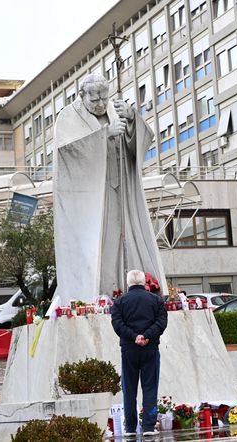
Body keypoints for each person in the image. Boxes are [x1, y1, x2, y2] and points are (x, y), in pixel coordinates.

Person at [53, 73, 167, 306]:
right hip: (92, 200)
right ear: (81, 96)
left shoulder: (115, 109)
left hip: (121, 192)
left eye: (104, 98)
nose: (101, 104)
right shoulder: (67, 118)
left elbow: (143, 142)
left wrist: (132, 120)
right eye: (94, 100)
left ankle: (131, 288)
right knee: (101, 245)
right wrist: (104, 135)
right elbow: (68, 154)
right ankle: (101, 294)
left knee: (127, 239)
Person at [110, 269, 168, 437]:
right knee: (150, 387)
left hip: (129, 349)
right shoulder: (156, 301)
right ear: (144, 282)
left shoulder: (120, 303)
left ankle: (130, 428)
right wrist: (147, 336)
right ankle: (149, 426)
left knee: (129, 389)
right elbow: (161, 322)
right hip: (150, 349)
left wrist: (134, 337)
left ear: (128, 283)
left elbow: (117, 324)